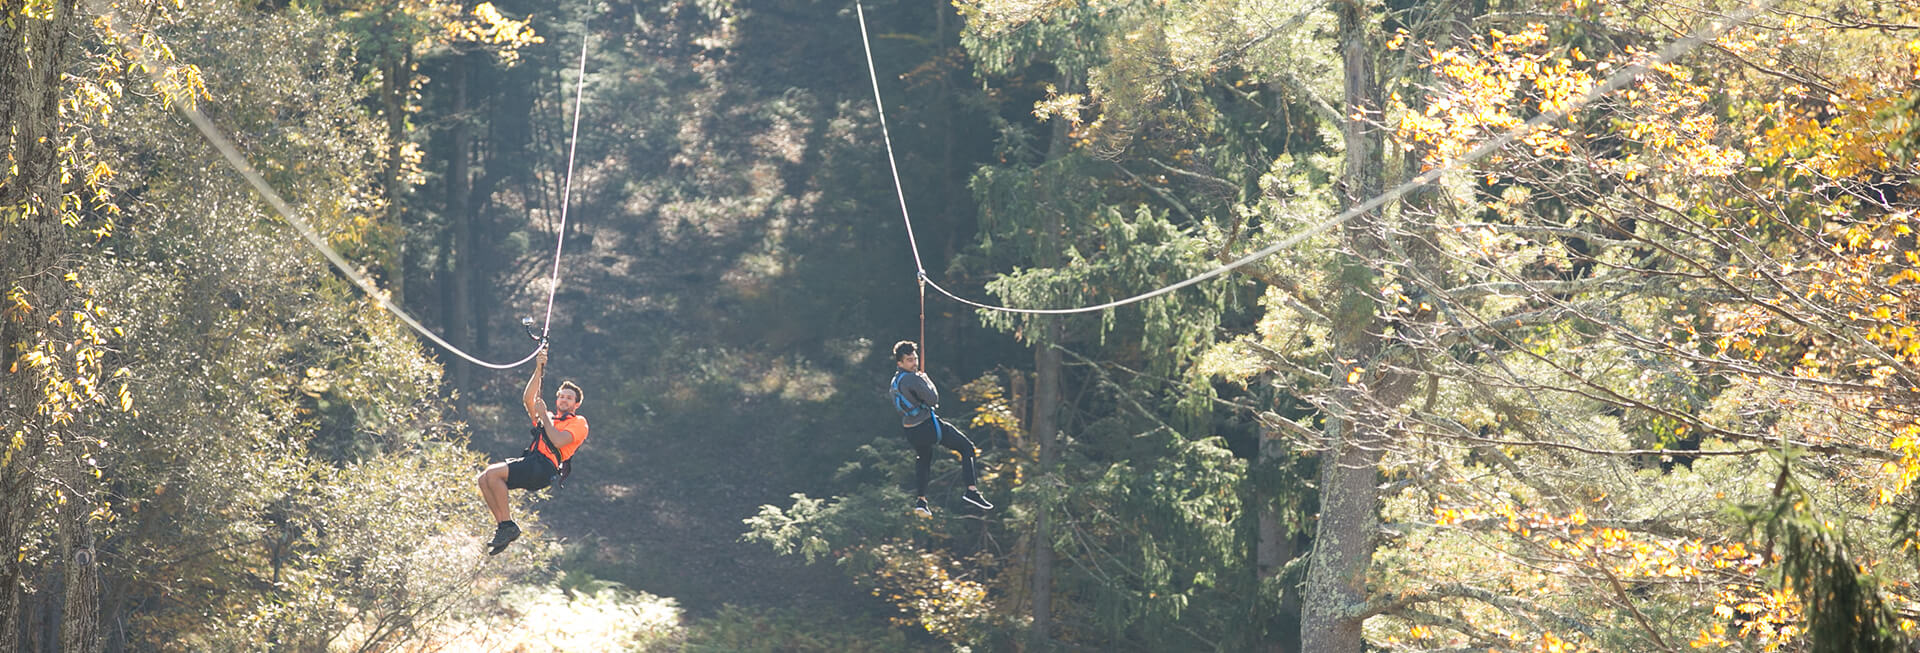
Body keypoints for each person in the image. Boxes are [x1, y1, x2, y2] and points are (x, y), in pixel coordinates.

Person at [477, 348, 590, 555]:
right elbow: (528, 399)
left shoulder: (579, 423)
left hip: (543, 467)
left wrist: (545, 417)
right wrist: (539, 368)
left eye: (569, 398)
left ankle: (508, 525)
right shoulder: (548, 416)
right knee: (484, 479)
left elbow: (557, 440)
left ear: (576, 404)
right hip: (532, 462)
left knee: (493, 473)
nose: (564, 400)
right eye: (562, 397)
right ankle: (503, 526)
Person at [890, 340, 991, 517]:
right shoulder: (913, 378)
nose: (914, 363)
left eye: (914, 359)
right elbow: (933, 399)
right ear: (900, 363)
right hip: (928, 427)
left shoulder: (895, 382)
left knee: (923, 459)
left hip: (911, 430)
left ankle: (921, 501)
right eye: (909, 360)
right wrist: (926, 380)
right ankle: (971, 490)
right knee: (967, 447)